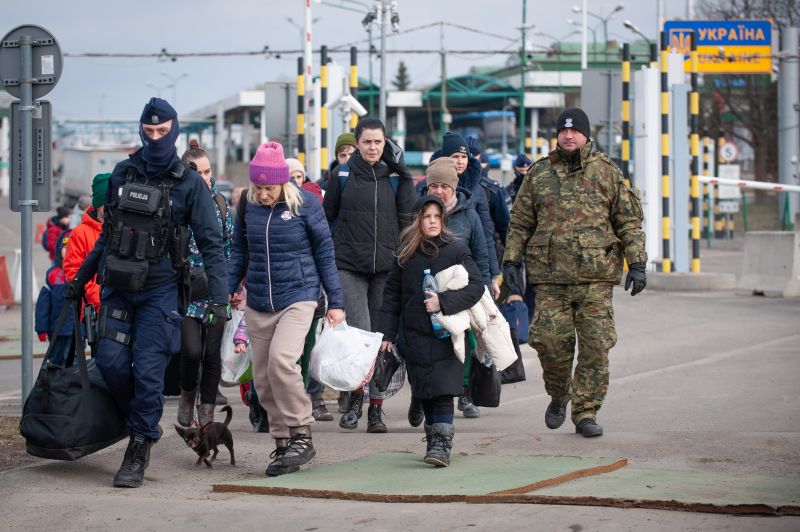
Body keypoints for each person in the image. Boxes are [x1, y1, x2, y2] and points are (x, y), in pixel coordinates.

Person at [69, 97, 229, 488]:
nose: (155, 137)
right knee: (111, 364)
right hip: (118, 291)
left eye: (162, 131)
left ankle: (138, 448)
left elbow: (211, 243)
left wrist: (220, 299)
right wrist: (79, 281)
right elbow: (106, 237)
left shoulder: (189, 184)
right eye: (149, 131)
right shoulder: (123, 173)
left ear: (174, 131)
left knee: (149, 375)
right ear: (141, 130)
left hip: (160, 295)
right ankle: (138, 423)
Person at [502, 107, 647, 438]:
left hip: (595, 278)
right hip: (550, 280)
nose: (569, 136)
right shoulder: (539, 175)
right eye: (563, 131)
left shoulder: (607, 173)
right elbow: (521, 221)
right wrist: (510, 262)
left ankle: (586, 411)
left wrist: (636, 263)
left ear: (586, 135)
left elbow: (628, 220)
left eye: (575, 131)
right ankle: (559, 395)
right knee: (550, 344)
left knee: (596, 346)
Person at [228, 141, 345, 477]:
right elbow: (239, 250)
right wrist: (227, 289)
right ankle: (282, 442)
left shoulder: (306, 204)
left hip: (299, 294)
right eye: (258, 187)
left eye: (269, 188)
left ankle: (301, 432)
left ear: (282, 182)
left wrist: (335, 301)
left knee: (282, 362)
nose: (263, 194)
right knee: (263, 378)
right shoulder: (247, 205)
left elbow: (325, 253)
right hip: (260, 299)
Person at [322, 117, 417, 433]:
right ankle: (353, 400)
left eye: (378, 142)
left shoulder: (396, 177)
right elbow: (327, 220)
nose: (373, 147)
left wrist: (406, 265)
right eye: (367, 142)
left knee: (381, 339)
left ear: (385, 142)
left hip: (387, 270)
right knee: (359, 335)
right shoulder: (342, 176)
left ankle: (376, 409)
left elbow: (409, 224)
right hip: (348, 265)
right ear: (358, 143)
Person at [376, 195, 484, 467]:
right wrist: (387, 334)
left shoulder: (456, 249)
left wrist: (443, 302)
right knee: (424, 389)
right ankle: (433, 437)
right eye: (427, 217)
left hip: (447, 334)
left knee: (444, 390)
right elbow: (391, 296)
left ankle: (442, 443)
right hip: (413, 333)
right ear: (418, 221)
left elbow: (476, 286)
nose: (433, 221)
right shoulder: (405, 255)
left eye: (437, 216)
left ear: (443, 219)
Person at [422, 157, 489, 420]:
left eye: (444, 186)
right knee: (429, 344)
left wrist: (484, 286)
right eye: (434, 185)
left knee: (466, 339)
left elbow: (482, 253)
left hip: (461, 289)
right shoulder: (419, 211)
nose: (438, 191)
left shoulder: (468, 214)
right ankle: (422, 395)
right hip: (427, 287)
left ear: (453, 187)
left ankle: (464, 392)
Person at [176, 140, 234, 427]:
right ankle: (188, 395)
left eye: (207, 171)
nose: (204, 177)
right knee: (191, 351)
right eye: (196, 172)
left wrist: (230, 288)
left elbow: (230, 248)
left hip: (215, 291)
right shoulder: (176, 202)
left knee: (212, 355)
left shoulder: (221, 204)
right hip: (185, 293)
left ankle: (207, 414)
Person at [429, 132, 500, 299]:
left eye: (464, 156)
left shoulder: (477, 189)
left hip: (468, 264)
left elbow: (485, 236)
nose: (460, 161)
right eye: (455, 156)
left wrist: (493, 276)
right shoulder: (428, 187)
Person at [63, 173, 110, 314]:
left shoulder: (126, 229)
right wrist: (98, 299)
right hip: (92, 310)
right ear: (97, 205)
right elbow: (74, 271)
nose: (110, 207)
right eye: (105, 204)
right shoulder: (80, 233)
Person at [35, 230, 76, 366]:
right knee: (55, 363)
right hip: (56, 330)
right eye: (65, 248)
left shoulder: (81, 272)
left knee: (73, 364)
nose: (69, 251)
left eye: (72, 248)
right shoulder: (52, 274)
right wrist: (41, 328)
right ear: (60, 250)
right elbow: (43, 305)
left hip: (75, 331)